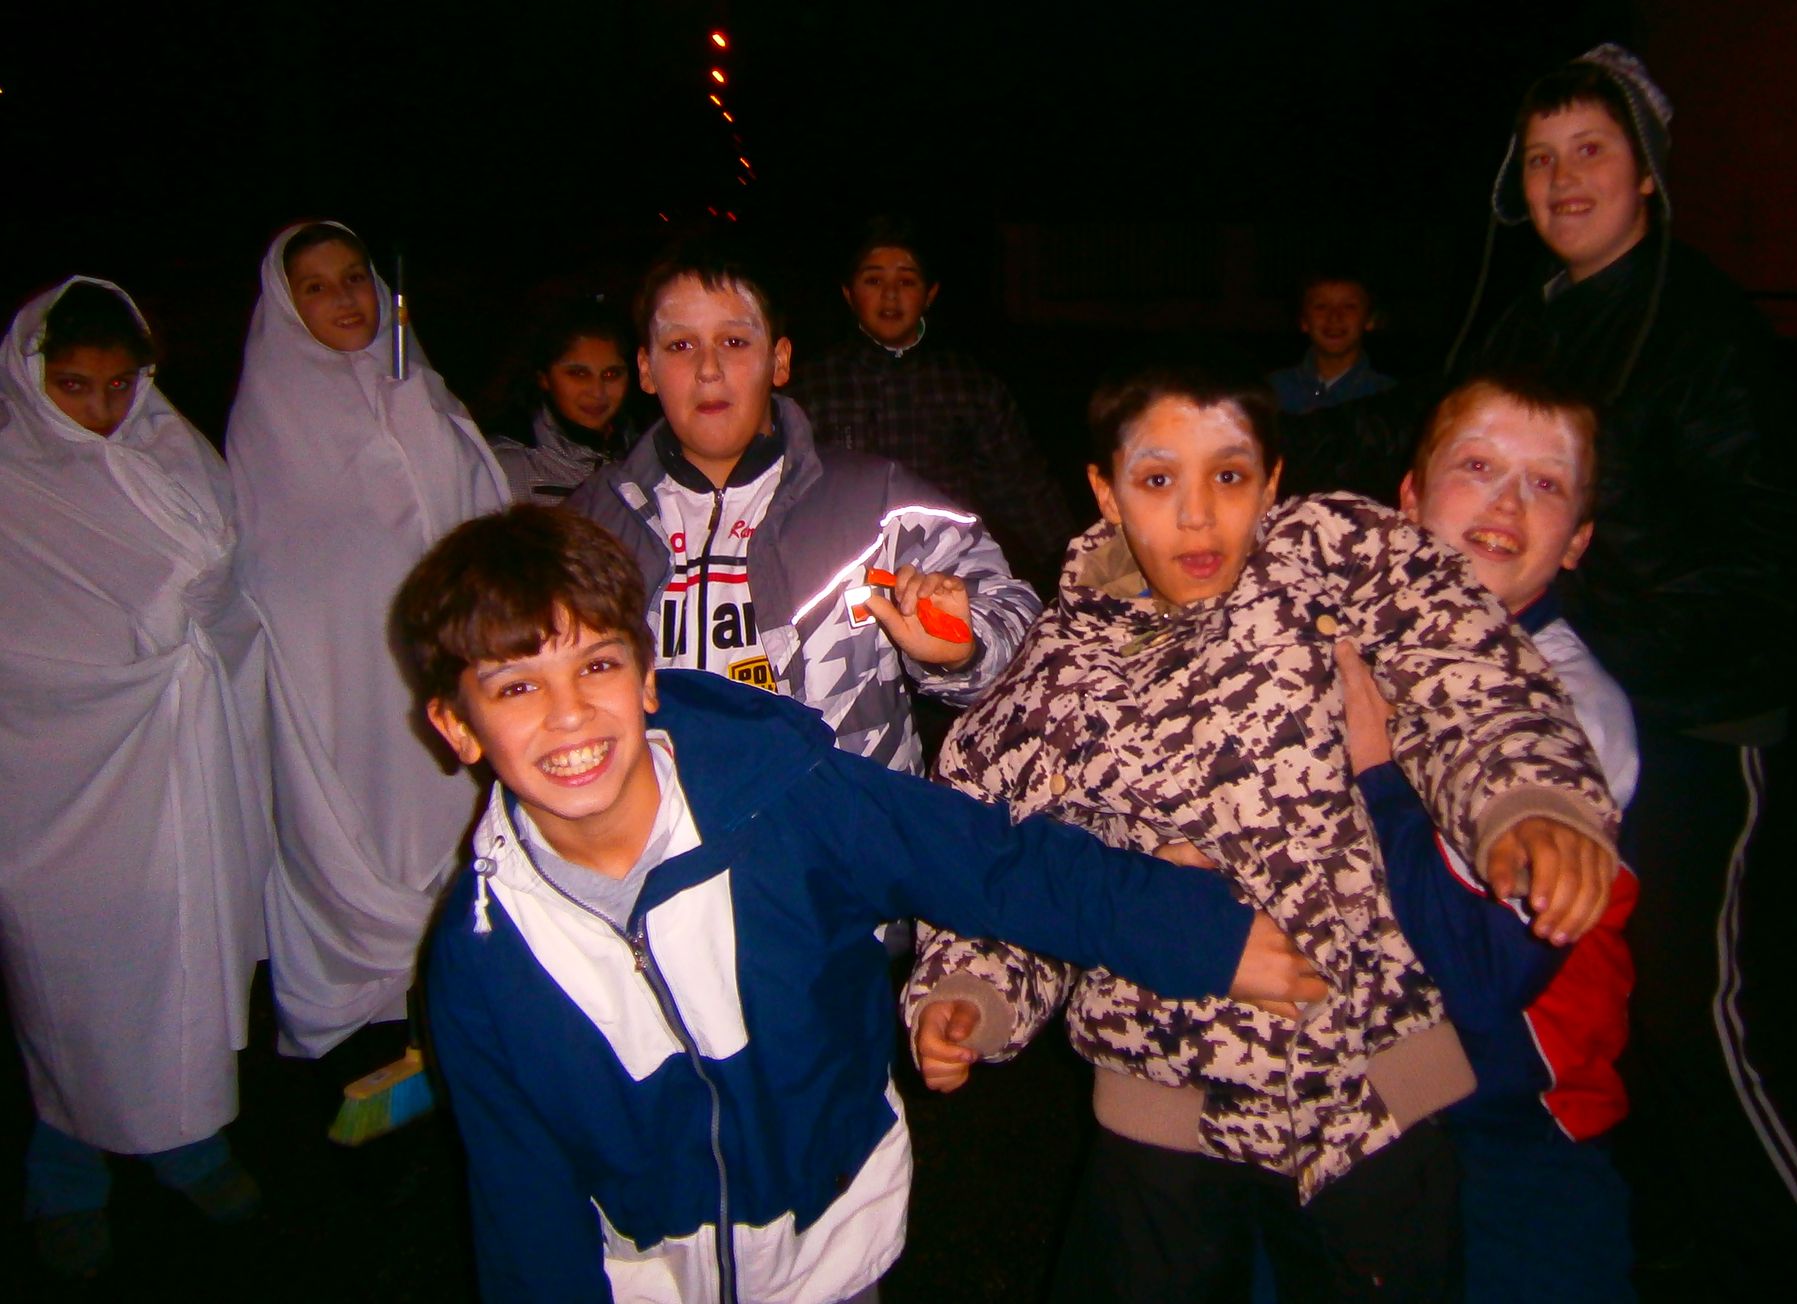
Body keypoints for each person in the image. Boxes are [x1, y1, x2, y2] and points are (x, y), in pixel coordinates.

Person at [401, 504, 1327, 1304]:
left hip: (833, 1245)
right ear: (455, 725)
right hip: (648, 1279)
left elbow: (991, 860)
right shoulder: (483, 960)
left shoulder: (786, 799)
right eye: (516, 686)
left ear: (647, 676)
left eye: (597, 666)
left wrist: (1201, 932)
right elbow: (522, 1199)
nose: (568, 714)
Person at [903, 361, 1619, 1302]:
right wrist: (969, 989)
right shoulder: (1058, 675)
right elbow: (1008, 851)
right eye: (1159, 479)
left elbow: (1463, 669)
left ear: (1274, 481)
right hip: (1159, 1111)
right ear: (1106, 493)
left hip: (1372, 1095)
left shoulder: (1333, 563)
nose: (1197, 515)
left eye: (1230, 476)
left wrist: (1528, 804)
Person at [1451, 48, 1797, 1299]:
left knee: (1688, 1004)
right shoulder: (1535, 320)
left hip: (1696, 716)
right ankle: (1666, 1223)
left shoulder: (1700, 329)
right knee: (1584, 978)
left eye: (1589, 151)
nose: (1563, 179)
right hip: (1574, 698)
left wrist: (1625, 636)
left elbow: (1779, 557)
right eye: (1539, 160)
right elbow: (1444, 446)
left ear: (1646, 173)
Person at [1348, 371, 1644, 1302]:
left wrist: (1376, 773)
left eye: (1545, 484)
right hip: (1341, 1116)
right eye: (1477, 466)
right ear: (1409, 497)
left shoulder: (1568, 715)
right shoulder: (1349, 642)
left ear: (1578, 540)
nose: (1507, 504)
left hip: (1511, 1136)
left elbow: (1476, 973)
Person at [0, 279, 273, 1278]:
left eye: (119, 386)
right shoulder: (14, 483)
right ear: (31, 376)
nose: (101, 410)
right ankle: (66, 1176)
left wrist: (181, 633)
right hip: (59, 787)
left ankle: (187, 1144)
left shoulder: (172, 451)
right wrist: (126, 654)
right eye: (74, 386)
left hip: (184, 760)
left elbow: (230, 587)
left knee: (181, 958)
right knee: (80, 985)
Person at [569, 236, 1040, 776]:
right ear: (646, 369)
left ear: (779, 360)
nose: (708, 369)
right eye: (680, 345)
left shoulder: (878, 503)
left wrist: (963, 649)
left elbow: (1021, 631)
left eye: (734, 341)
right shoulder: (587, 526)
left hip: (848, 824)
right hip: (664, 824)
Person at [227, 221, 512, 1061]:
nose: (345, 300)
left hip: (440, 671)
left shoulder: (420, 387)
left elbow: (471, 518)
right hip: (341, 687)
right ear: (287, 305)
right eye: (316, 288)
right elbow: (279, 569)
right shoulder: (269, 420)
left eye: (355, 278)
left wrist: (416, 419)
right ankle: (373, 1040)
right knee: (361, 835)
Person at [786, 219, 1077, 587]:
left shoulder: (967, 385)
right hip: (844, 576)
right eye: (873, 281)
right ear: (848, 293)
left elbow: (1022, 487)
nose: (890, 295)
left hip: (946, 574)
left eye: (907, 282)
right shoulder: (812, 387)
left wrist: (1077, 562)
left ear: (930, 294)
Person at [490, 299, 641, 504]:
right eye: (578, 374)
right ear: (544, 378)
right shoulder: (506, 468)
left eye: (611, 374)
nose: (597, 392)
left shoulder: (646, 456)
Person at [1267, 271, 1395, 414]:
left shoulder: (1388, 395)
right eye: (1321, 306)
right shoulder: (1272, 391)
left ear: (1370, 319)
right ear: (1303, 321)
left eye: (1349, 306)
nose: (1334, 317)